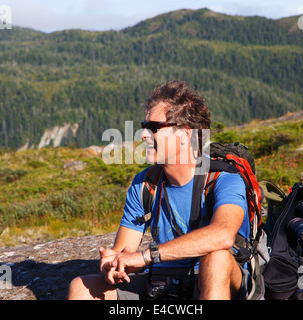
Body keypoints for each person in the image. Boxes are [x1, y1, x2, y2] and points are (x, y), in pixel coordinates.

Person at [68, 80, 249, 300]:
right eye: (144, 126)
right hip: (165, 282)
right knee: (82, 287)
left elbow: (223, 235)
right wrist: (114, 265)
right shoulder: (145, 184)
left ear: (184, 134)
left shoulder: (224, 178)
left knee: (216, 259)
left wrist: (146, 256)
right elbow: (124, 252)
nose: (143, 135)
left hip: (217, 282)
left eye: (153, 127)